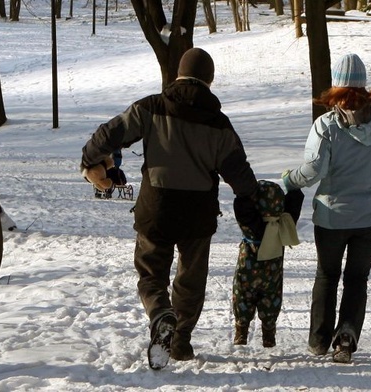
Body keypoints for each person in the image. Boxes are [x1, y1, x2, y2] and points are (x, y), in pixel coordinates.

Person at [80, 48, 260, 370]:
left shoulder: (151, 107)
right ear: (210, 80)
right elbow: (240, 175)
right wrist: (256, 200)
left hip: (156, 209)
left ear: (178, 73)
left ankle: (160, 312)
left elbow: (110, 133)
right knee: (191, 281)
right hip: (198, 213)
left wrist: (88, 160)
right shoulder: (219, 124)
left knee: (151, 273)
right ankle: (179, 341)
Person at [282, 53, 371, 363]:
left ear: (335, 87)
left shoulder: (326, 125)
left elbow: (314, 170)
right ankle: (345, 337)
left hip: (332, 217)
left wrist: (288, 181)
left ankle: (319, 341)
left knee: (327, 276)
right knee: (357, 279)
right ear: (364, 88)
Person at [232, 180, 303, 348]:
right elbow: (296, 200)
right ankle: (269, 333)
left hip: (247, 270)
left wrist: (248, 191)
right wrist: (292, 183)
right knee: (272, 298)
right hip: (272, 273)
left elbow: (241, 205)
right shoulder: (284, 224)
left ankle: (241, 329)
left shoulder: (251, 226)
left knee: (242, 294)